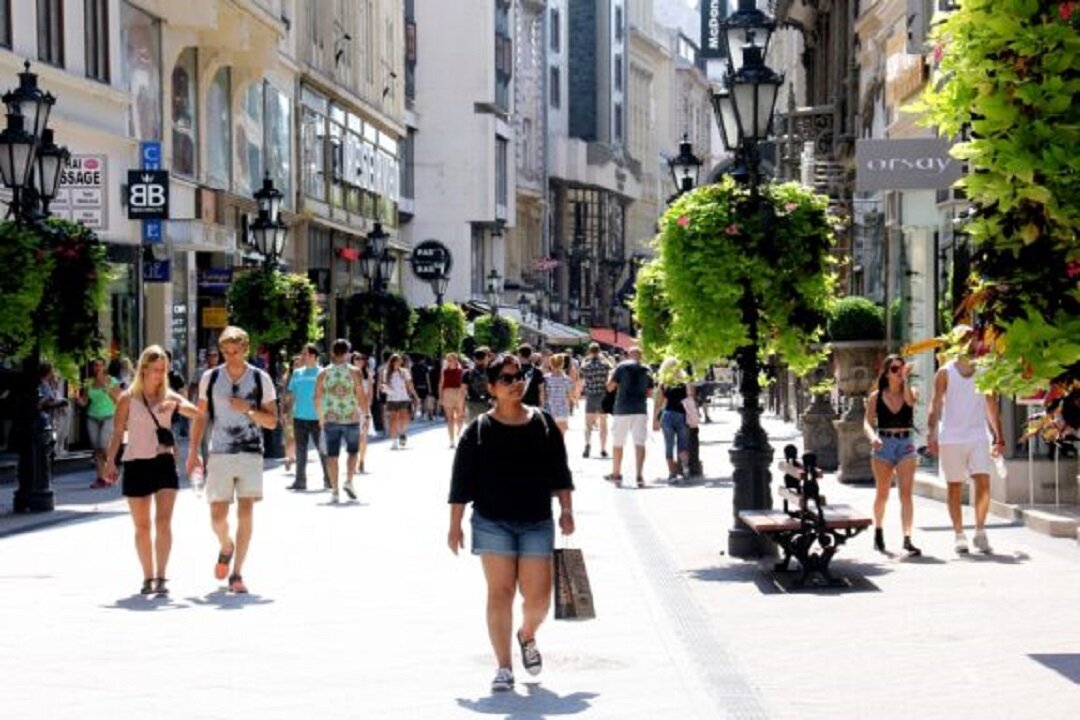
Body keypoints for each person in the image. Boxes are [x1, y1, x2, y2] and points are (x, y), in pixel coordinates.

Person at [447, 353, 575, 692]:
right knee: (500, 593)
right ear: (491, 388)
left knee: (539, 598)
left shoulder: (543, 423)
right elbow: (461, 481)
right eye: (506, 379)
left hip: (536, 519)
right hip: (492, 521)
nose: (516, 383)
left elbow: (560, 470)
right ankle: (504, 666)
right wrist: (454, 524)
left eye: (519, 376)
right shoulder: (477, 430)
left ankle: (527, 633)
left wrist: (566, 509)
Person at [186, 326, 278, 594]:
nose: (230, 356)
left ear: (246, 349)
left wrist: (248, 409)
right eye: (225, 352)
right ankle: (226, 545)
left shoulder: (261, 379)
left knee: (246, 510)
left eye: (235, 352)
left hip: (250, 452)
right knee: (217, 517)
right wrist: (193, 451)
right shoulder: (210, 378)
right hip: (220, 452)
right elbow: (201, 415)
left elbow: (272, 421)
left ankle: (237, 573)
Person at [104, 345, 198, 596]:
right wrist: (111, 461)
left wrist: (176, 407)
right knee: (142, 526)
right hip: (135, 463)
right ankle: (148, 576)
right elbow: (117, 432)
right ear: (143, 369)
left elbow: (197, 412)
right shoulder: (127, 398)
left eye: (163, 370)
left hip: (163, 462)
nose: (160, 374)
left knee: (164, 522)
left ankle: (162, 577)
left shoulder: (169, 396)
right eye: (156, 369)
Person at [926, 326, 1006, 555]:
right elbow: (935, 404)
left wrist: (999, 436)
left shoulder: (984, 371)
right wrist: (931, 433)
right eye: (968, 338)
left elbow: (991, 405)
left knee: (983, 484)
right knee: (954, 487)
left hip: (978, 435)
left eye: (974, 338)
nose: (973, 342)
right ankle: (959, 535)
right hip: (951, 437)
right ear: (958, 342)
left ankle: (980, 532)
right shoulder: (944, 372)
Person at [864, 354, 921, 556]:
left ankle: (907, 538)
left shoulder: (911, 390)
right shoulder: (875, 397)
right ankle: (878, 531)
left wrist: (904, 379)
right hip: (883, 445)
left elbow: (910, 402)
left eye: (901, 368)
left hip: (905, 444)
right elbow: (867, 423)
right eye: (894, 370)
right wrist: (873, 438)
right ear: (887, 373)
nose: (898, 372)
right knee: (883, 493)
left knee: (906, 493)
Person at [314, 339, 367, 502]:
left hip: (331, 418)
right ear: (347, 353)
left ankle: (335, 491)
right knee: (353, 452)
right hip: (351, 417)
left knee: (332, 456)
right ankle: (349, 481)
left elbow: (317, 397)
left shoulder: (323, 373)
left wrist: (321, 417)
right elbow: (360, 395)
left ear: (332, 353)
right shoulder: (355, 372)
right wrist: (366, 414)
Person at [606, 347, 654, 488]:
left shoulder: (621, 367)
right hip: (640, 409)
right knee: (639, 443)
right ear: (641, 356)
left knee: (618, 443)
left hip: (622, 409)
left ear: (628, 355)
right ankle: (639, 475)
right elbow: (650, 393)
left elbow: (610, 387)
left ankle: (616, 473)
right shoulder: (647, 370)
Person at [287, 344, 330, 491]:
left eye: (305, 354)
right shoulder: (297, 373)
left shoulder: (323, 373)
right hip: (299, 417)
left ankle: (329, 479)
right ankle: (300, 481)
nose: (302, 357)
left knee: (323, 450)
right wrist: (288, 413)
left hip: (319, 418)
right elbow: (292, 394)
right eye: (303, 354)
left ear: (313, 356)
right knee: (300, 450)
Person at [79, 358, 122, 488]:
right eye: (95, 366)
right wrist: (77, 398)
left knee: (103, 445)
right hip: (92, 417)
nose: (97, 368)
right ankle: (101, 478)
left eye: (99, 365)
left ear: (104, 367)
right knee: (97, 449)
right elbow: (85, 402)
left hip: (109, 416)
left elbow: (118, 401)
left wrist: (107, 389)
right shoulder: (89, 383)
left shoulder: (112, 381)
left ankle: (112, 469)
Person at [653, 358, 691, 484]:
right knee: (683, 445)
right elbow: (691, 398)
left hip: (667, 415)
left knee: (669, 445)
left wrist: (655, 421)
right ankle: (685, 468)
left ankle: (672, 474)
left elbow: (658, 403)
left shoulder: (664, 382)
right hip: (682, 415)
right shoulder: (684, 382)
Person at [580, 343, 612, 459]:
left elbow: (582, 369)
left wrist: (586, 358)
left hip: (590, 396)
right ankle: (603, 449)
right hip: (602, 396)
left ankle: (587, 444)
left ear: (589, 351)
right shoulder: (605, 364)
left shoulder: (586, 366)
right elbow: (611, 367)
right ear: (599, 351)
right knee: (603, 425)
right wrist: (603, 357)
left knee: (588, 425)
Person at [382, 353, 419, 449]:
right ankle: (394, 441)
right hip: (392, 398)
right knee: (393, 420)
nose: (398, 362)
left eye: (399, 361)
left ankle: (402, 433)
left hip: (403, 398)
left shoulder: (404, 372)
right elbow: (384, 385)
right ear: (392, 362)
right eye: (396, 360)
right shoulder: (386, 372)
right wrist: (385, 388)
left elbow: (410, 385)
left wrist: (415, 396)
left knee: (403, 418)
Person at [351, 352, 374, 473]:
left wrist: (367, 408)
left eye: (362, 359)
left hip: (364, 409)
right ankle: (353, 461)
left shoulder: (367, 375)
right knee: (353, 438)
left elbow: (370, 393)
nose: (360, 361)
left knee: (363, 437)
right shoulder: (348, 375)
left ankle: (361, 460)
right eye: (357, 359)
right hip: (351, 409)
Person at [543, 353, 575, 434]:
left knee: (549, 436)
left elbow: (543, 395)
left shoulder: (545, 379)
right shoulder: (567, 380)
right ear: (562, 364)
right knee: (561, 436)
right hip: (563, 410)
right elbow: (570, 396)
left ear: (551, 364)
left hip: (549, 410)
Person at [439, 353, 466, 447]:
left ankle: (459, 433)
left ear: (456, 360)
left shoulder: (461, 371)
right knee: (450, 418)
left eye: (451, 359)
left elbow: (464, 384)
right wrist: (440, 397)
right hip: (447, 393)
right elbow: (441, 384)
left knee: (460, 417)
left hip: (459, 392)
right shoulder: (445, 371)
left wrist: (464, 395)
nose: (449, 361)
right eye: (448, 359)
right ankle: (451, 440)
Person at [463, 348, 492, 423]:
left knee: (472, 427)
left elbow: (463, 390)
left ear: (474, 358)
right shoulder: (491, 372)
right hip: (488, 403)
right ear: (486, 358)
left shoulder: (467, 373)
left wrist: (462, 406)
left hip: (472, 403)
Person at [518, 344, 547, 410]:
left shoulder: (516, 370)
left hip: (518, 403)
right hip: (533, 405)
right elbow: (541, 389)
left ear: (519, 354)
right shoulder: (537, 371)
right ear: (530, 355)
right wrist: (542, 405)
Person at [411, 355, 433, 421]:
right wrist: (429, 388)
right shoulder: (425, 367)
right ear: (422, 360)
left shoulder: (413, 367)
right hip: (424, 386)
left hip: (415, 386)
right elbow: (427, 378)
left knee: (416, 401)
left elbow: (411, 377)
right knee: (425, 401)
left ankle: (414, 414)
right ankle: (423, 414)